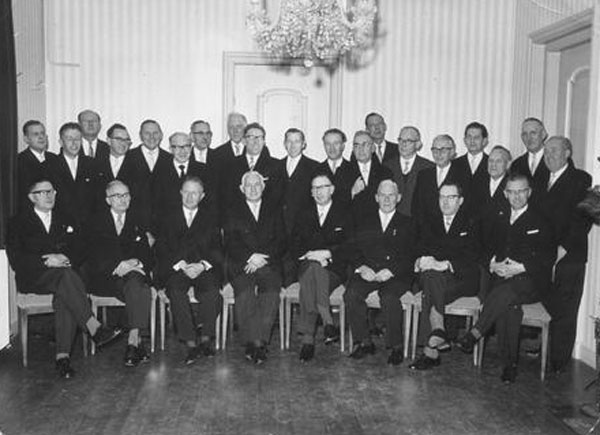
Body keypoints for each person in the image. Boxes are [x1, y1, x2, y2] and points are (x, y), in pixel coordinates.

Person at [7, 179, 122, 378]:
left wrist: (66, 258)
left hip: (65, 277)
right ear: (32, 197)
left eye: (51, 191)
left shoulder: (65, 217)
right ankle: (92, 326)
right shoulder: (17, 222)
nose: (49, 196)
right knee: (67, 280)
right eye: (43, 192)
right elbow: (17, 259)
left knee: (64, 293)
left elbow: (81, 247)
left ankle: (63, 358)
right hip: (35, 277)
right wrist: (47, 261)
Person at [456, 173, 555, 383]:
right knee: (509, 306)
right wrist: (493, 264)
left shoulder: (542, 220)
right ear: (505, 193)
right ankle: (509, 366)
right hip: (502, 280)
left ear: (529, 192)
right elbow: (482, 248)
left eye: (521, 191)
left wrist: (521, 268)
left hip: (531, 282)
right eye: (512, 192)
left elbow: (548, 257)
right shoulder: (498, 217)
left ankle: (475, 332)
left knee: (507, 291)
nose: (516, 196)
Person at [409, 183, 481, 370]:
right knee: (431, 277)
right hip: (435, 277)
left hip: (461, 279)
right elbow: (418, 248)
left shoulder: (472, 222)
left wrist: (446, 263)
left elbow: (473, 256)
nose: (446, 202)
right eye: (442, 197)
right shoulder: (429, 221)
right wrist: (421, 260)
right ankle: (436, 336)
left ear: (460, 201)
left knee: (430, 285)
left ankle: (433, 345)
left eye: (451, 197)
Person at [536, 136, 592, 374]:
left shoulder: (581, 179)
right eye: (546, 151)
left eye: (554, 150)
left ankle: (558, 362)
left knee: (566, 309)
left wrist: (563, 249)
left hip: (569, 256)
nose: (549, 155)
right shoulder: (540, 178)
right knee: (548, 303)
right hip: (544, 254)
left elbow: (582, 219)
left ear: (567, 153)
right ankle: (545, 351)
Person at [83, 180, 153, 367]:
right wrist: (117, 265)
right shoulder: (95, 222)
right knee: (142, 289)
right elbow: (92, 255)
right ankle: (137, 342)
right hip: (106, 277)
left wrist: (135, 262)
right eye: (117, 196)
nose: (123, 199)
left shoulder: (138, 219)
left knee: (136, 283)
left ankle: (132, 340)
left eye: (126, 195)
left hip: (132, 274)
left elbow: (147, 253)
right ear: (108, 200)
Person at [344, 180, 415, 365]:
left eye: (391, 195)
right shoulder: (364, 221)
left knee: (389, 298)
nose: (387, 199)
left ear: (399, 198)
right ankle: (364, 342)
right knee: (351, 294)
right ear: (376, 197)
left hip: (395, 275)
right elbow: (352, 248)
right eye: (383, 195)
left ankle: (395, 346)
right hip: (368, 272)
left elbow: (411, 255)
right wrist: (362, 267)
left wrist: (391, 270)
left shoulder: (408, 223)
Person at [156, 176, 223, 365]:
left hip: (203, 268)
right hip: (178, 268)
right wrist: (181, 265)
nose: (190, 196)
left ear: (202, 196)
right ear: (180, 193)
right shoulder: (167, 217)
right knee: (176, 291)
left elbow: (217, 249)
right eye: (186, 192)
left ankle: (206, 338)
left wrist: (202, 265)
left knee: (212, 291)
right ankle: (191, 342)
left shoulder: (211, 217)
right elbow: (161, 249)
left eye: (195, 193)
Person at [224, 171, 285, 364]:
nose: (253, 189)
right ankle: (251, 342)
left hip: (268, 262)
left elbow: (281, 240)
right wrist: (250, 257)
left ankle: (259, 341)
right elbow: (230, 242)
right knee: (245, 292)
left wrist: (262, 258)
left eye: (257, 185)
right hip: (242, 263)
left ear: (263, 187)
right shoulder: (232, 210)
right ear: (242, 189)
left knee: (271, 291)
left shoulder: (274, 209)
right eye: (248, 186)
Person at [291, 174, 351, 362]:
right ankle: (327, 321)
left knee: (311, 280)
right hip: (308, 263)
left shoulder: (345, 212)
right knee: (313, 269)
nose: (319, 192)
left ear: (331, 189)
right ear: (311, 192)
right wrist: (312, 256)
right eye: (315, 188)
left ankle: (308, 340)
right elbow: (294, 243)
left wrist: (328, 254)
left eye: (323, 187)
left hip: (333, 269)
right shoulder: (303, 213)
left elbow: (350, 245)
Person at [277, 128, 319, 285]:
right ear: (284, 144)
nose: (293, 145)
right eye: (289, 141)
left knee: (298, 277)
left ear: (303, 144)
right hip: (280, 230)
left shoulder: (314, 167)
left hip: (302, 231)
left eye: (297, 141)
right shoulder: (276, 166)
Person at [119, 119, 171, 230]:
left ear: (161, 135)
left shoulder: (170, 159)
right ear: (140, 135)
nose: (152, 137)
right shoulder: (128, 157)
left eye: (155, 133)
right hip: (135, 225)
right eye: (147, 133)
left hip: (165, 226)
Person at [45, 122, 97, 225]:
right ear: (61, 142)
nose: (74, 143)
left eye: (77, 139)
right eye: (69, 139)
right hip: (60, 225)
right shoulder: (48, 166)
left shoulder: (93, 165)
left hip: (89, 225)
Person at [152, 132, 212, 222]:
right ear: (171, 149)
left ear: (191, 148)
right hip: (167, 225)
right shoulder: (159, 172)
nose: (182, 151)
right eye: (177, 147)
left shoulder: (205, 170)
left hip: (198, 224)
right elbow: (155, 205)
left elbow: (210, 202)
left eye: (186, 146)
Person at [412, 134, 467, 228]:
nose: (439, 154)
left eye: (443, 150)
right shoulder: (423, 174)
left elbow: (465, 206)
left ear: (452, 152)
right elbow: (416, 205)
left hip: (452, 228)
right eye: (435, 150)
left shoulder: (463, 175)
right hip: (426, 229)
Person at [225, 122, 282, 210]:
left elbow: (277, 197)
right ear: (244, 141)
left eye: (259, 137)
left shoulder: (276, 166)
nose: (255, 141)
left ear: (264, 141)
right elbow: (228, 195)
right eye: (251, 137)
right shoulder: (231, 165)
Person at [384, 126, 434, 217]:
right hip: (393, 220)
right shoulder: (386, 166)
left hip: (419, 221)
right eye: (401, 140)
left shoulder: (428, 167)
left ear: (418, 144)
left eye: (408, 141)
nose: (403, 144)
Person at [349, 130, 392, 222]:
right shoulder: (343, 171)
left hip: (378, 224)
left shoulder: (385, 172)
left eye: (365, 145)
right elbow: (336, 203)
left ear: (373, 148)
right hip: (352, 224)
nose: (360, 149)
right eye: (356, 146)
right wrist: (352, 192)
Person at [16, 120, 57, 212]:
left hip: (54, 213)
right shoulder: (18, 161)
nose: (41, 137)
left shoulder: (54, 159)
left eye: (43, 133)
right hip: (29, 213)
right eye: (36, 134)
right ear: (26, 139)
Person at [94, 123, 133, 206]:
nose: (123, 143)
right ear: (108, 141)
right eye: (119, 139)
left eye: (126, 140)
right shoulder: (96, 163)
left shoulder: (137, 163)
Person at [314, 128, 355, 205]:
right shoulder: (316, 170)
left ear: (343, 146)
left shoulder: (353, 169)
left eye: (336, 143)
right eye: (328, 144)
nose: (332, 148)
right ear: (324, 146)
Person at [511, 117, 550, 197]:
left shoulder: (555, 160)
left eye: (533, 133)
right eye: (525, 134)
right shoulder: (516, 164)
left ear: (543, 134)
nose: (529, 138)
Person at [453, 122, 489, 194]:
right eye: (469, 137)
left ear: (484, 141)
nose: (472, 141)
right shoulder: (454, 164)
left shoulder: (491, 163)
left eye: (476, 137)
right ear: (464, 140)